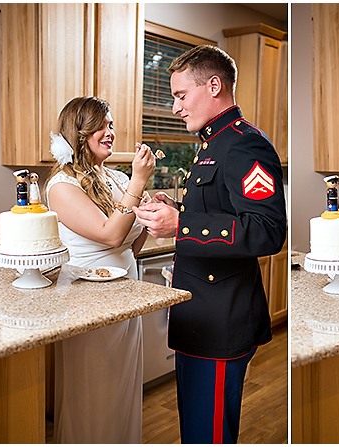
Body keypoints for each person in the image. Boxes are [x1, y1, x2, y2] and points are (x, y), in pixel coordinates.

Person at [134, 45, 286, 443]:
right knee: (196, 429)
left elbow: (267, 230)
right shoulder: (212, 143)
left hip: (222, 318)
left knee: (209, 435)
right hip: (199, 313)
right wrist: (178, 207)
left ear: (214, 85)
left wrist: (182, 225)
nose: (174, 107)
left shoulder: (243, 144)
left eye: (181, 95)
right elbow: (224, 210)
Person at [45, 96, 156, 443]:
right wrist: (138, 185)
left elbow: (128, 246)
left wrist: (149, 217)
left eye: (111, 125)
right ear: (80, 133)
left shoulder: (115, 177)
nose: (111, 132)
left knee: (122, 390)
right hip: (88, 300)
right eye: (103, 126)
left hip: (126, 294)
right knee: (92, 391)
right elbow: (110, 236)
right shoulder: (62, 186)